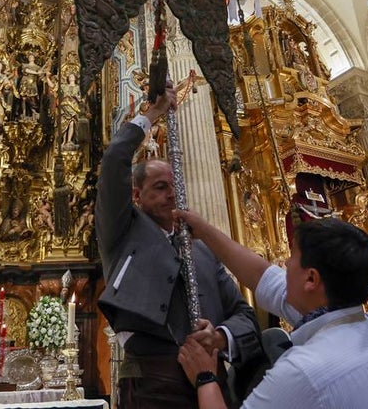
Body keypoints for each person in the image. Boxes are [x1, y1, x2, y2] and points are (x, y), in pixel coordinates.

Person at [96, 84, 262, 409]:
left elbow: (244, 314)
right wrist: (151, 115)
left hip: (214, 380)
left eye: (176, 186)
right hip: (153, 383)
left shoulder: (203, 250)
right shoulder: (122, 233)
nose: (172, 194)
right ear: (136, 196)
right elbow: (115, 159)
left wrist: (221, 336)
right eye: (160, 187)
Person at [174, 210, 368, 409]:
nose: (285, 263)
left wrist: (205, 377)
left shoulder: (305, 372)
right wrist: (204, 231)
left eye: (292, 256)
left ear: (311, 279)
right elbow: (262, 276)